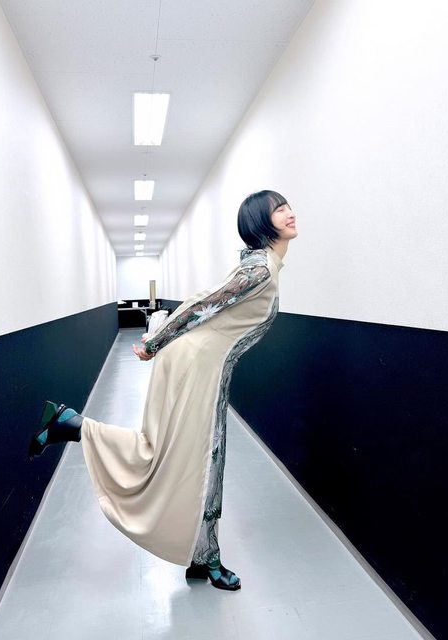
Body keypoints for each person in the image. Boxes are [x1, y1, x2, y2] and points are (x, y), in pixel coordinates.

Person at [28, 190, 298, 591]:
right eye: (279, 209)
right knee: (195, 462)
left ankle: (201, 556)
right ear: (261, 222)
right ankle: (73, 425)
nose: (290, 213)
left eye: (287, 205)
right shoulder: (259, 270)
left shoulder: (264, 266)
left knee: (195, 460)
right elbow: (203, 305)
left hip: (206, 369)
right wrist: (156, 342)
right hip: (196, 368)